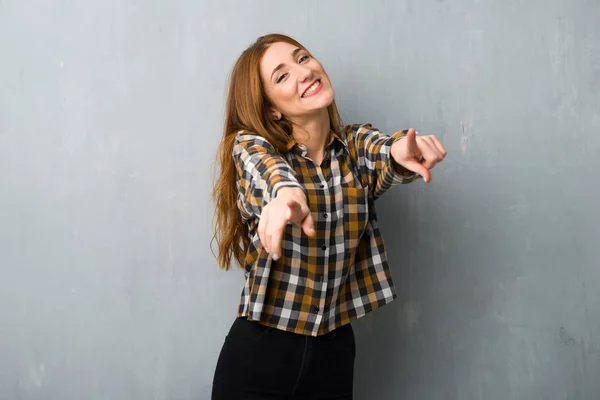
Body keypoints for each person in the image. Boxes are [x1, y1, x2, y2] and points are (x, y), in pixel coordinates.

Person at [211, 33, 446, 400]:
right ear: (271, 108)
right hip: (262, 355)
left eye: (302, 58)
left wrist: (403, 149)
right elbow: (268, 173)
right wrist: (286, 196)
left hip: (335, 352)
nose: (303, 72)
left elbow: (384, 150)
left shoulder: (353, 148)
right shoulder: (252, 147)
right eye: (282, 76)